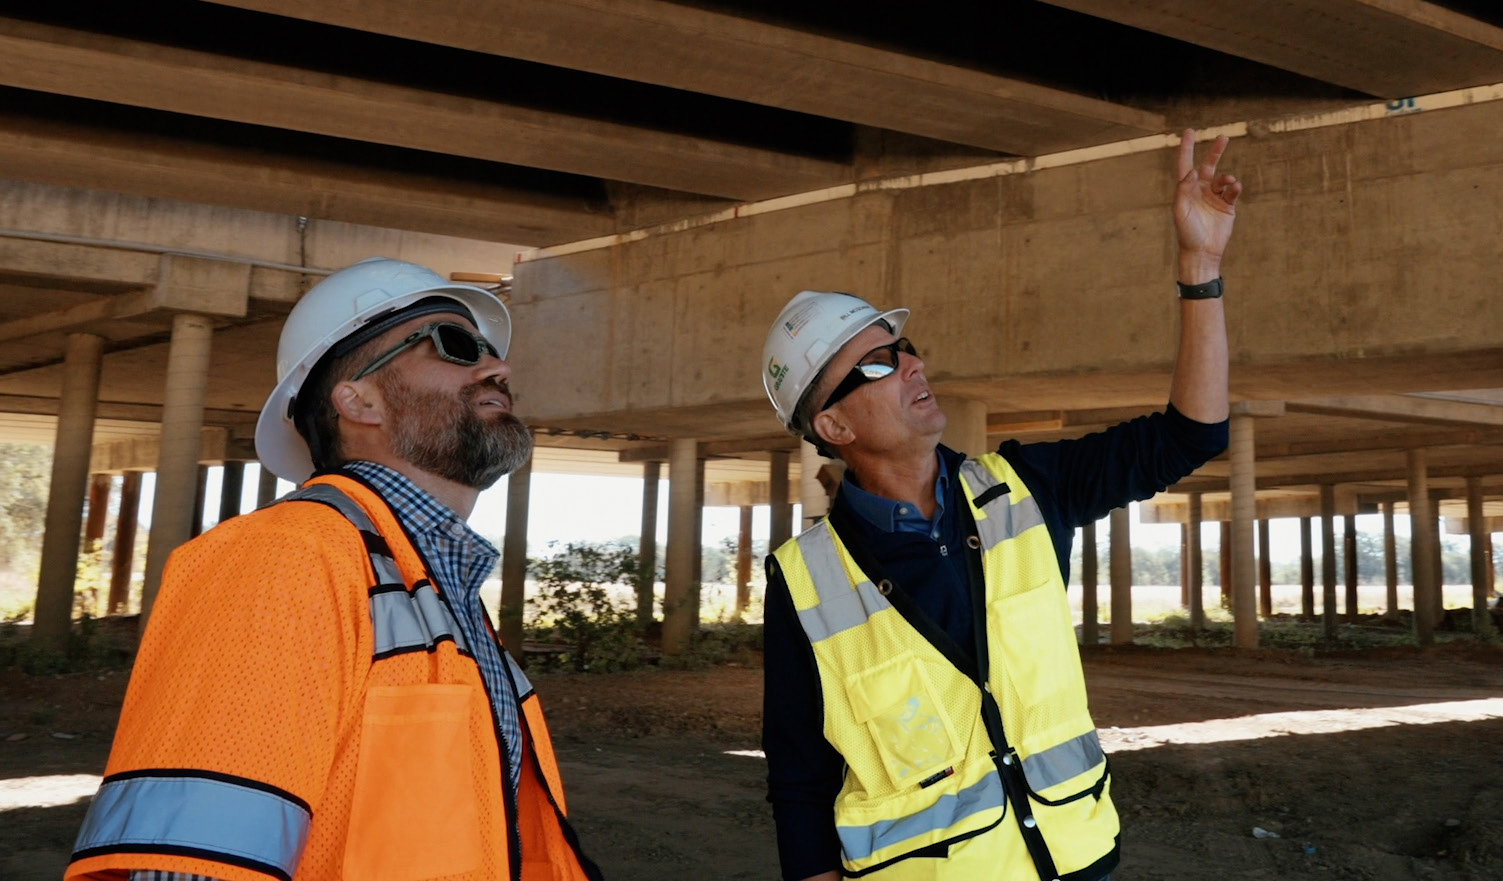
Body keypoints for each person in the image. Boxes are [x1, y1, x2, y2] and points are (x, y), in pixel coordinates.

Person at [758, 130, 1240, 881]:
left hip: (1077, 860)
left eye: (904, 344)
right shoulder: (802, 581)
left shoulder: (1023, 490)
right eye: (877, 362)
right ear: (834, 426)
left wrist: (1199, 268)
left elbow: (1192, 433)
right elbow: (799, 779)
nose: (910, 362)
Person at [67, 258, 602, 881]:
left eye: (488, 349)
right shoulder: (284, 558)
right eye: (455, 345)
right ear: (359, 400)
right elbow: (195, 865)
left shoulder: (425, 582)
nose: (498, 367)